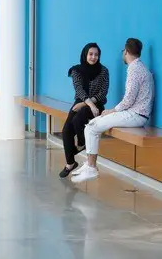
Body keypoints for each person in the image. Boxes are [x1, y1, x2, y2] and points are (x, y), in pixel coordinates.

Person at [72, 37, 154, 182]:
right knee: (92, 126)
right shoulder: (140, 67)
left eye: (123, 51)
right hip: (137, 114)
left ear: (126, 51)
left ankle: (91, 168)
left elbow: (128, 100)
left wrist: (111, 111)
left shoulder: (134, 69)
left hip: (136, 115)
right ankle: (89, 165)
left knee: (91, 127)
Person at [59, 42, 109, 178]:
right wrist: (85, 104)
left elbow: (103, 93)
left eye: (96, 55)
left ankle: (82, 143)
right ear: (85, 54)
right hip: (82, 102)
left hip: (97, 104)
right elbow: (79, 90)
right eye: (91, 54)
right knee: (66, 130)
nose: (93, 57)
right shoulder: (76, 70)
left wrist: (89, 105)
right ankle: (70, 163)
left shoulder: (104, 71)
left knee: (78, 119)